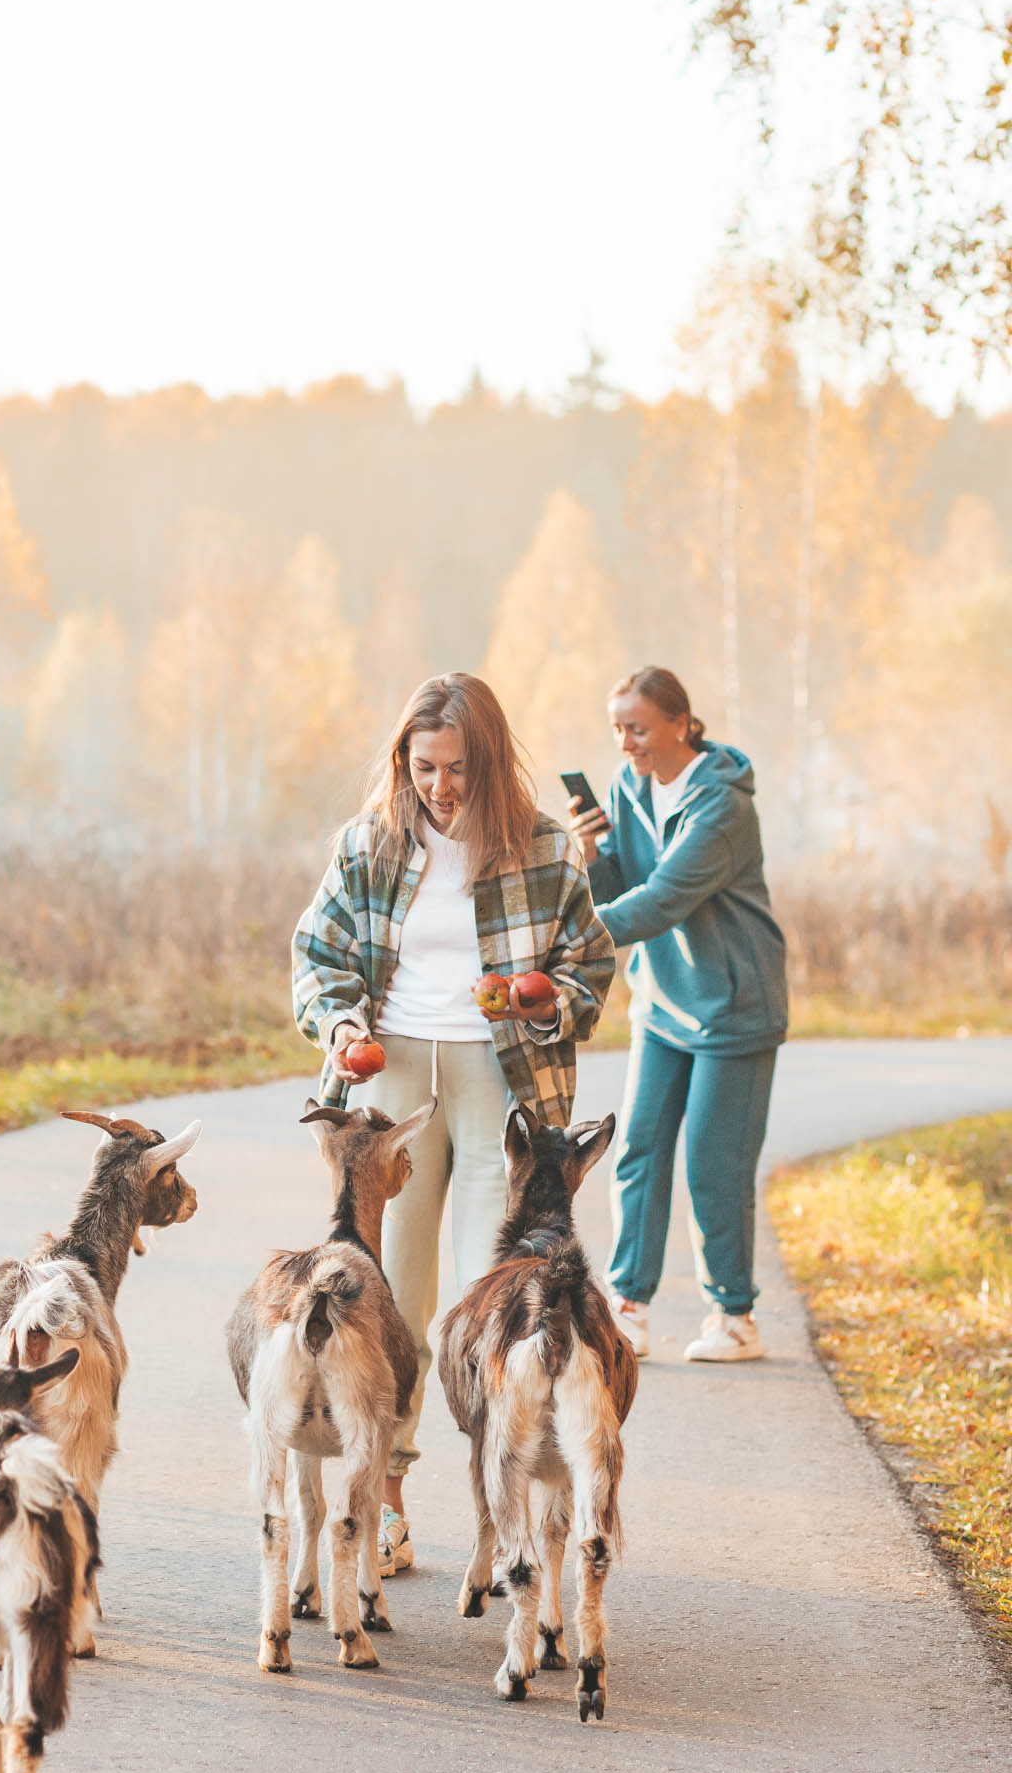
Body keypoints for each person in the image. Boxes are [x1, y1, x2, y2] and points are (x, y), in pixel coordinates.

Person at [291, 672, 614, 1574]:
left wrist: (543, 999)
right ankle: (384, 1502)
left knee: (489, 1303)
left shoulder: (545, 850)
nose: (441, 786)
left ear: (492, 761)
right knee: (387, 1303)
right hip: (392, 1086)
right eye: (425, 767)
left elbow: (592, 965)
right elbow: (316, 958)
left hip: (504, 1091)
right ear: (403, 762)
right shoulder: (367, 847)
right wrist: (343, 1022)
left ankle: (505, 1513)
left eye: (460, 768)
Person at [565, 665, 788, 1365]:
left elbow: (661, 901)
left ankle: (735, 1316)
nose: (626, 743)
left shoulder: (723, 806)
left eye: (636, 728)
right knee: (637, 1149)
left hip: (734, 1005)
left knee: (713, 1165)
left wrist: (567, 941)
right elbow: (626, 888)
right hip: (662, 1000)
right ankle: (628, 1309)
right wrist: (593, 852)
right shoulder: (631, 786)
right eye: (617, 730)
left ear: (680, 724)